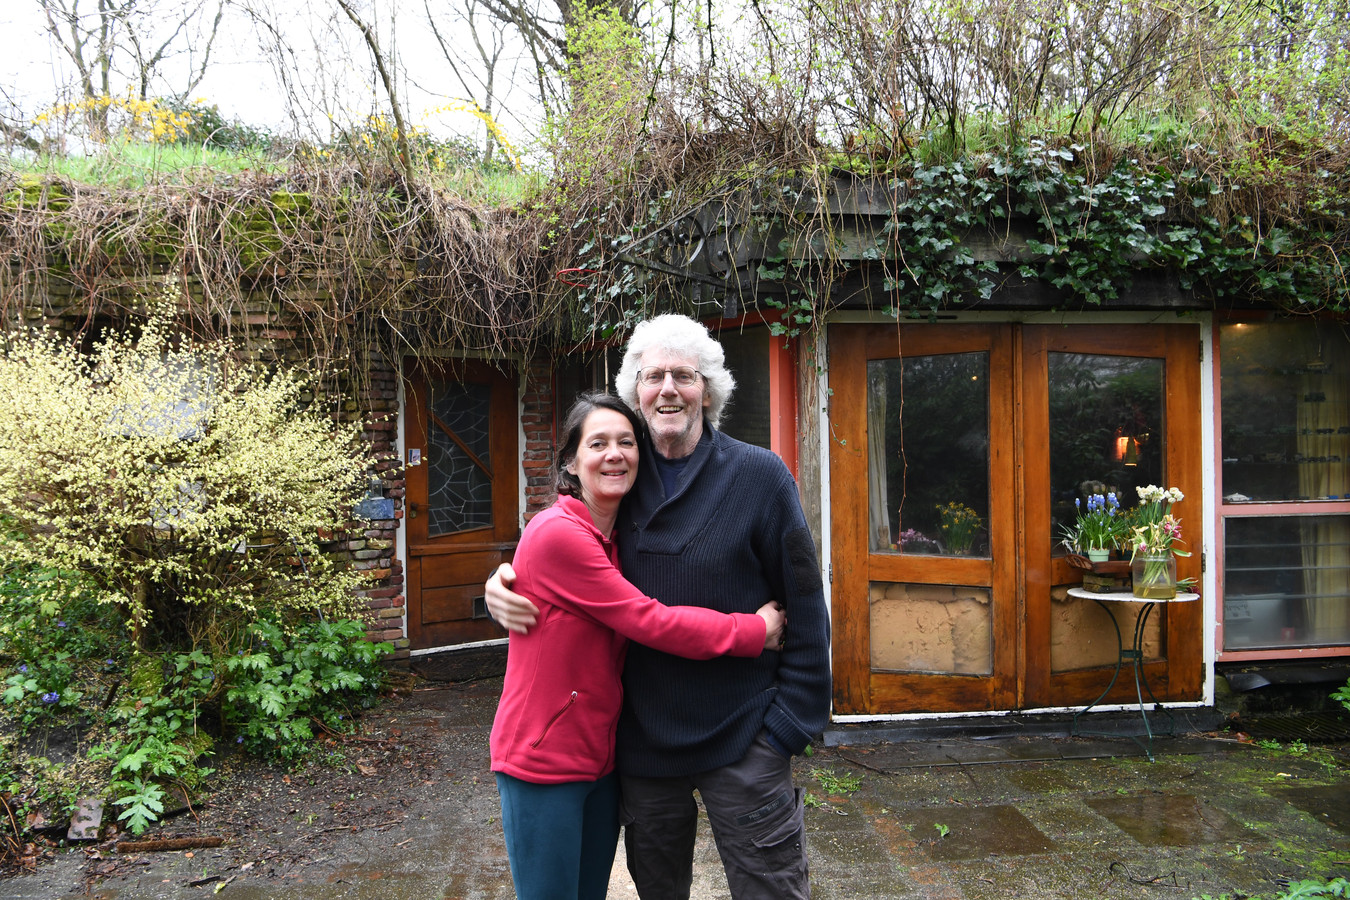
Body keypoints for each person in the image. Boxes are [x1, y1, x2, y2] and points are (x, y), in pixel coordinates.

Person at [487, 315, 831, 900]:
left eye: (684, 376)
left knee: (772, 889)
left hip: (744, 735)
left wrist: (790, 724)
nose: (668, 388)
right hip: (644, 748)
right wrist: (503, 580)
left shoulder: (760, 476)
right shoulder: (622, 476)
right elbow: (567, 551)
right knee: (659, 891)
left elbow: (803, 600)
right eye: (653, 376)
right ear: (636, 391)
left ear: (709, 389)